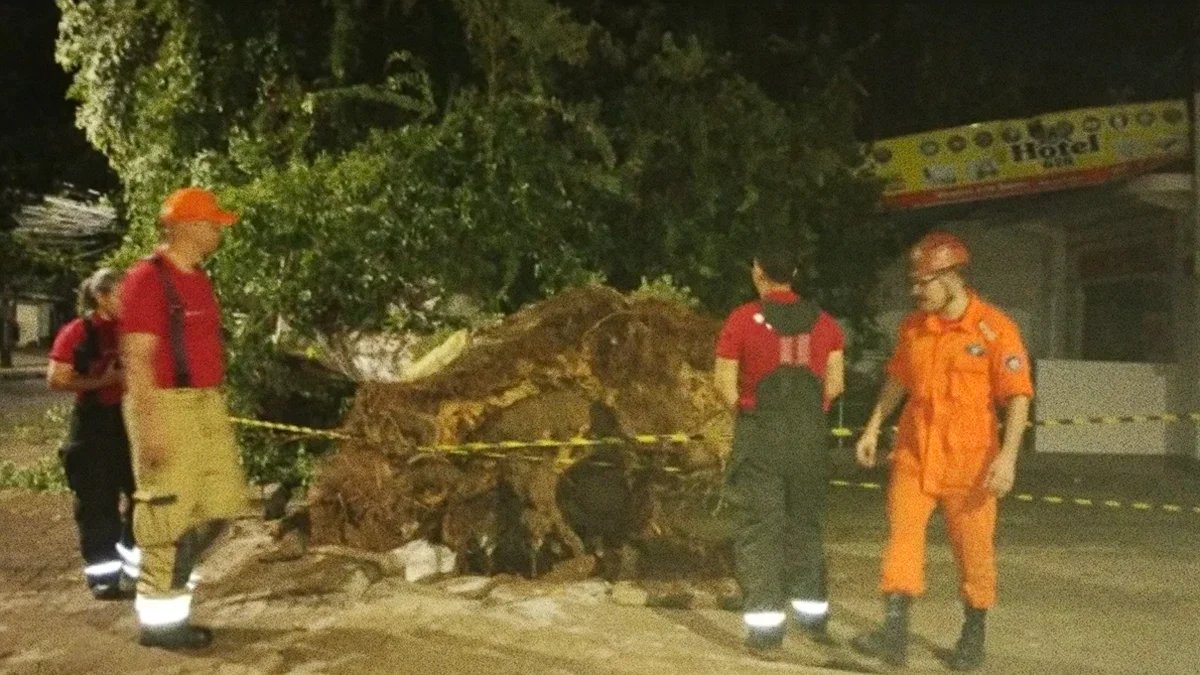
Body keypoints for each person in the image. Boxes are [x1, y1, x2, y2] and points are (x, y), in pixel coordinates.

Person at [851, 232, 1033, 671]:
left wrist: (1008, 458)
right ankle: (894, 634)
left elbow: (1018, 395)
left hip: (971, 462)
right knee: (902, 539)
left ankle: (973, 635)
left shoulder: (994, 328)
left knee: (973, 550)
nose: (916, 292)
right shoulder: (913, 328)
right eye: (913, 283)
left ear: (952, 276)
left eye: (924, 282)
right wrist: (873, 427)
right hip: (915, 453)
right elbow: (898, 379)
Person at [119, 186, 251, 650]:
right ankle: (161, 623)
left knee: (222, 503)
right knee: (168, 516)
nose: (218, 231)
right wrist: (151, 428)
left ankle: (168, 584)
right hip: (166, 405)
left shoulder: (197, 278)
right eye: (213, 223)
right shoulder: (146, 280)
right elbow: (137, 358)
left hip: (204, 404)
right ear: (187, 226)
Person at [714, 245, 845, 653]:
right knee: (806, 526)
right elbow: (836, 386)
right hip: (809, 438)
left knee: (760, 530)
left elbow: (724, 385)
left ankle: (767, 630)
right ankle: (812, 616)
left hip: (761, 437)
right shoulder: (826, 324)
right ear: (794, 273)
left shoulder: (740, 321)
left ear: (758, 273)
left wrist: (750, 412)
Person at [47, 267, 139, 599]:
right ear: (101, 297)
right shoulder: (79, 332)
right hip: (93, 426)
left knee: (143, 497)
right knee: (97, 505)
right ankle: (104, 577)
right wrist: (104, 381)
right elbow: (57, 378)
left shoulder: (133, 329)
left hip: (131, 422)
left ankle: (134, 569)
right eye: (121, 294)